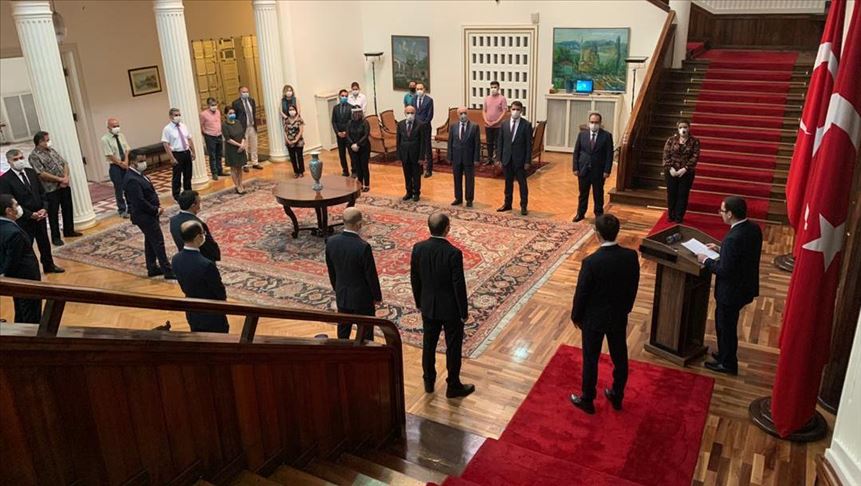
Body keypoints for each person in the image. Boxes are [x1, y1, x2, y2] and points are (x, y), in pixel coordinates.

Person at [569, 214, 640, 414]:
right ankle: (617, 394)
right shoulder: (631, 256)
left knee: (590, 359)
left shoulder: (591, 262)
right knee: (620, 357)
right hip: (618, 314)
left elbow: (582, 293)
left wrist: (576, 316)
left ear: (597, 234)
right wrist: (626, 308)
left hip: (594, 318)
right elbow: (633, 285)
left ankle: (587, 399)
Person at [410, 212, 475, 398]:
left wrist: (419, 302)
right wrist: (463, 312)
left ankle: (429, 382)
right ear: (447, 228)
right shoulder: (453, 253)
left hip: (428, 306)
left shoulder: (418, 248)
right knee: (453, 347)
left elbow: (414, 278)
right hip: (450, 309)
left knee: (428, 345)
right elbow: (458, 285)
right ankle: (453, 385)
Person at [697, 196, 762, 375]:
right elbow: (742, 255)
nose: (720, 213)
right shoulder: (753, 228)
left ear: (730, 214)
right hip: (745, 287)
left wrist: (706, 260)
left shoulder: (733, 237)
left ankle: (728, 364)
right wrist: (721, 249)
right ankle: (724, 354)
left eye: (722, 211)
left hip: (731, 292)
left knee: (726, 327)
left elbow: (724, 270)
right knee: (726, 325)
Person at [0, 149, 63, 273]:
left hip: (40, 215)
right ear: (9, 162)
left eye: (21, 157)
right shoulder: (5, 179)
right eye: (15, 159)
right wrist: (30, 215)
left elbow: (42, 192)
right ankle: (33, 270)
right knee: (27, 246)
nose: (19, 161)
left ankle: (49, 266)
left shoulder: (31, 172)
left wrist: (44, 208)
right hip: (23, 219)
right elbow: (10, 202)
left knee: (44, 242)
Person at [325, 208, 382, 341]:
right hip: (362, 299)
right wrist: (377, 296)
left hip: (342, 294)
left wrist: (337, 288)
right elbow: (370, 275)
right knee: (365, 334)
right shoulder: (363, 247)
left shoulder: (331, 242)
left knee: (343, 331)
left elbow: (331, 270)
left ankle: (342, 352)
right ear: (359, 224)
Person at [124, 151, 175, 280]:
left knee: (150, 241)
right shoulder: (131, 179)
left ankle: (152, 268)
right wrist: (155, 210)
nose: (144, 163)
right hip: (144, 216)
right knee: (158, 241)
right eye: (141, 161)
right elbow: (139, 201)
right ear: (132, 162)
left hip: (148, 214)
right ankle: (168, 271)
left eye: (144, 160)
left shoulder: (138, 174)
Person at [171, 220, 229, 333]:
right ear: (198, 237)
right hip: (212, 314)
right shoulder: (206, 265)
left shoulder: (175, 259)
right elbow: (219, 291)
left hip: (191, 311)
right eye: (203, 233)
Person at [29, 131, 83, 246]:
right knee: (53, 213)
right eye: (47, 140)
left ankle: (69, 230)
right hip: (51, 189)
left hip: (64, 185)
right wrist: (59, 180)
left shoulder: (52, 151)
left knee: (67, 208)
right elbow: (41, 173)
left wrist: (65, 177)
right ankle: (56, 237)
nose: (49, 142)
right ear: (40, 142)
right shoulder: (34, 156)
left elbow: (64, 163)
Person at [0, 194, 42, 323]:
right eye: (16, 205)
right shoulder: (13, 232)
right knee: (31, 312)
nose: (19, 208)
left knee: (20, 309)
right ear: (8, 211)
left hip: (15, 279)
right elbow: (14, 259)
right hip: (25, 277)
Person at [572, 112, 614, 222]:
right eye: (592, 122)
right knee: (583, 193)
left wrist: (607, 170)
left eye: (596, 122)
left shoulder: (606, 136)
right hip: (583, 169)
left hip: (599, 171)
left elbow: (609, 155)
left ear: (600, 123)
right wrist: (575, 168)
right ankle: (580, 213)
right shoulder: (582, 135)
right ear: (588, 122)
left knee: (598, 194)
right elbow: (576, 152)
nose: (594, 124)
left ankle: (599, 215)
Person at [496, 100, 532, 216]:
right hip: (507, 158)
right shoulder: (504, 124)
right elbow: (500, 142)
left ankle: (523, 206)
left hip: (520, 160)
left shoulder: (526, 125)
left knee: (522, 184)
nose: (515, 111)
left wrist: (527, 161)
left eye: (518, 109)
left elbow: (528, 145)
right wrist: (499, 158)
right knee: (508, 183)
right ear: (510, 110)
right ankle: (507, 204)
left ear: (521, 111)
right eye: (513, 109)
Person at [663, 119, 700, 223]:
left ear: (689, 128)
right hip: (671, 171)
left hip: (686, 172)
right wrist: (671, 168)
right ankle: (671, 215)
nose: (683, 129)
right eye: (680, 127)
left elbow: (695, 156)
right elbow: (666, 154)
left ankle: (679, 217)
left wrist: (685, 168)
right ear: (677, 128)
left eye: (685, 127)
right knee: (671, 193)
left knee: (682, 194)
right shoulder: (671, 140)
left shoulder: (694, 141)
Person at [169, 190, 221, 262]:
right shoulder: (197, 224)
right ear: (193, 205)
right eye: (199, 202)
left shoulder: (173, 220)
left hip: (184, 259)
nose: (200, 205)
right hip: (201, 261)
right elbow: (210, 247)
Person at [161, 108, 197, 201]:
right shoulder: (167, 129)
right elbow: (165, 144)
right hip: (177, 154)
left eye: (179, 115)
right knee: (177, 176)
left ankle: (188, 192)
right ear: (171, 116)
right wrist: (172, 158)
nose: (178, 117)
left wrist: (193, 152)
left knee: (188, 174)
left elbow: (189, 139)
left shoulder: (183, 126)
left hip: (186, 152)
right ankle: (176, 195)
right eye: (176, 115)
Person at [448, 106, 481, 207]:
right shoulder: (453, 126)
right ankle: (458, 198)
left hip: (469, 157)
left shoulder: (474, 126)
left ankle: (469, 199)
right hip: (456, 157)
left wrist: (476, 159)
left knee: (469, 180)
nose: (463, 115)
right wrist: (449, 156)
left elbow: (477, 144)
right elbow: (450, 142)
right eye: (461, 113)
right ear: (458, 115)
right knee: (457, 179)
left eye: (465, 113)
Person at [100, 118, 130, 218]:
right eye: (114, 126)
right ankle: (122, 209)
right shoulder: (105, 139)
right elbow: (109, 155)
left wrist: (126, 161)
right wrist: (121, 163)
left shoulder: (121, 135)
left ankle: (131, 207)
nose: (116, 128)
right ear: (108, 127)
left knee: (129, 186)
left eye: (118, 125)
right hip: (115, 167)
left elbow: (127, 149)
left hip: (125, 164)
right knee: (119, 189)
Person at [396, 104, 426, 202]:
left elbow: (423, 142)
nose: (410, 115)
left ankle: (416, 193)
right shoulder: (400, 124)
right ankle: (408, 192)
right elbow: (398, 140)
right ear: (405, 113)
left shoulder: (420, 125)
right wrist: (399, 156)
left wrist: (421, 157)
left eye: (412, 113)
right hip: (405, 154)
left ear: (415, 113)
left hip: (416, 154)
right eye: (408, 113)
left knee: (416, 175)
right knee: (407, 174)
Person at [232, 86, 262, 171]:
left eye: (247, 91)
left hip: (252, 126)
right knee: (244, 146)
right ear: (240, 93)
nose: (246, 93)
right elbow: (235, 116)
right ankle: (245, 164)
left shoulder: (252, 101)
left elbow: (254, 113)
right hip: (243, 128)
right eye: (243, 92)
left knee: (254, 145)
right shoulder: (236, 103)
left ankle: (255, 162)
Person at [222, 106, 248, 194]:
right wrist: (239, 145)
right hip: (232, 149)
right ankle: (237, 186)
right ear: (225, 115)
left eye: (233, 113)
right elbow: (228, 139)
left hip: (241, 148)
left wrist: (243, 144)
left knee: (240, 167)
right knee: (233, 168)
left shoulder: (237, 122)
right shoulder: (224, 125)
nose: (232, 115)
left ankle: (240, 184)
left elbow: (243, 135)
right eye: (230, 113)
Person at [482, 80, 508, 165]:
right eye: (492, 87)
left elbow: (504, 111)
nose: (493, 89)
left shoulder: (502, 98)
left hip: (498, 126)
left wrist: (496, 121)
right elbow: (484, 111)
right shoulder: (487, 98)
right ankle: (489, 158)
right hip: (488, 125)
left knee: (497, 143)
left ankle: (497, 159)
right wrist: (486, 121)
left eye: (495, 87)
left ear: (498, 88)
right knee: (489, 143)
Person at [199, 97, 224, 181]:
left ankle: (220, 170)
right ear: (208, 105)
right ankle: (214, 173)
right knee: (212, 155)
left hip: (219, 135)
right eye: (212, 105)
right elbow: (201, 125)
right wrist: (205, 134)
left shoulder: (218, 112)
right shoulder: (203, 114)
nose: (214, 106)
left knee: (219, 154)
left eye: (215, 104)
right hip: (210, 136)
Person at [413, 82, 434, 177]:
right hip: (416, 127)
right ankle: (419, 169)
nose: (419, 91)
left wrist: (422, 124)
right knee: (418, 148)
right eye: (417, 89)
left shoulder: (429, 100)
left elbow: (430, 115)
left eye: (421, 89)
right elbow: (413, 113)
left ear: (424, 89)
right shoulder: (413, 99)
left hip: (426, 127)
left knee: (427, 149)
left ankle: (429, 170)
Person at [348, 108, 371, 192]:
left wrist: (358, 144)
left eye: (358, 112)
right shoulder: (349, 123)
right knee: (357, 167)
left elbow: (366, 135)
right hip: (353, 148)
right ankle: (360, 184)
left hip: (364, 147)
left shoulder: (365, 122)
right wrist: (352, 144)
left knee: (364, 166)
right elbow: (348, 135)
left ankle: (367, 185)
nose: (357, 114)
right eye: (355, 113)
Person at [331, 89, 353, 177]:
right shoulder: (335, 108)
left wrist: (346, 132)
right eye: (342, 96)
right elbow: (333, 121)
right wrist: (337, 132)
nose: (344, 97)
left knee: (351, 153)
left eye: (346, 96)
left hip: (348, 135)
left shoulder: (351, 107)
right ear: (339, 96)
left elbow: (351, 122)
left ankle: (354, 170)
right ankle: (345, 170)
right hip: (339, 135)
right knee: (341, 154)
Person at [285, 105, 306, 178]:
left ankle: (301, 171)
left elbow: (301, 131)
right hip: (289, 142)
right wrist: (287, 140)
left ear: (296, 110)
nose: (291, 111)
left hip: (299, 141)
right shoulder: (286, 120)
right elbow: (285, 131)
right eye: (290, 110)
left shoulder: (299, 119)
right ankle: (296, 172)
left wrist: (296, 140)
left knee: (299, 157)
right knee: (292, 158)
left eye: (293, 109)